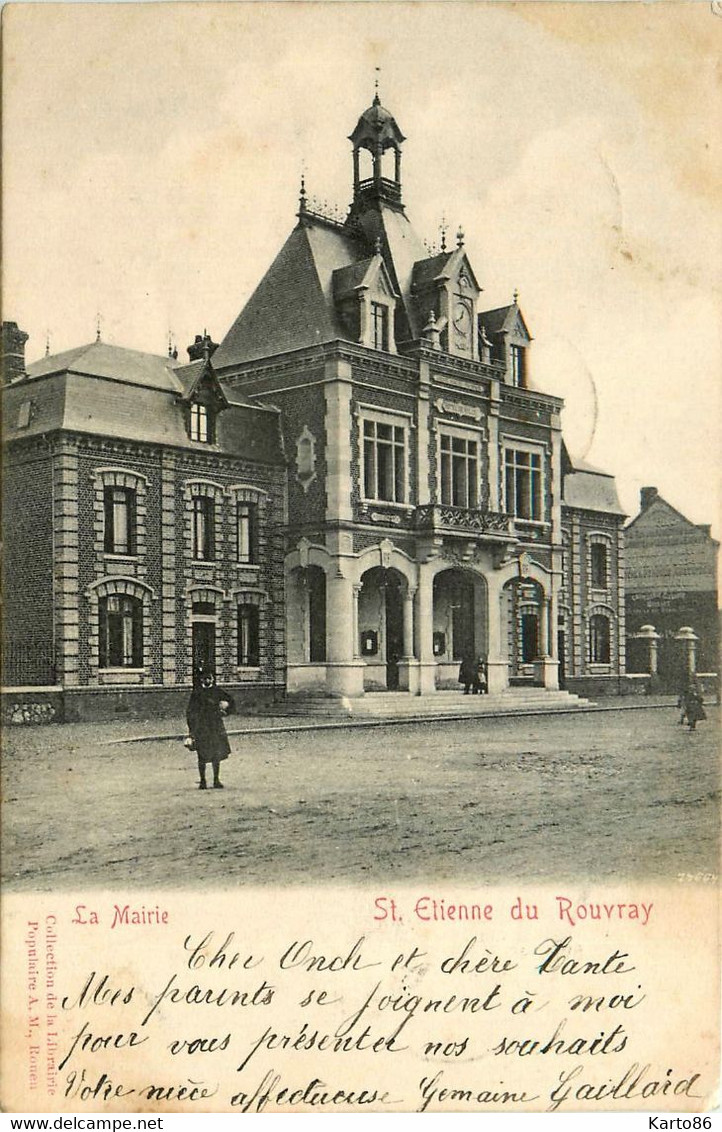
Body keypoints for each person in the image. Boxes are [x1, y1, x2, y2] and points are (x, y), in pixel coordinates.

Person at [186, 666, 235, 789]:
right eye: (205, 678)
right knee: (201, 755)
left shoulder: (217, 691)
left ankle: (216, 780)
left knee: (216, 754)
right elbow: (190, 711)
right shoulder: (197, 693)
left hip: (215, 726)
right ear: (202, 680)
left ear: (213, 679)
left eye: (210, 678)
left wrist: (226, 710)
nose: (208, 681)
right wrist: (192, 729)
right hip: (202, 727)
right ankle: (203, 781)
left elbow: (231, 702)